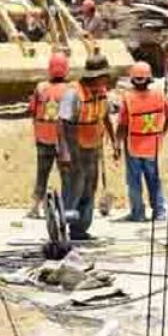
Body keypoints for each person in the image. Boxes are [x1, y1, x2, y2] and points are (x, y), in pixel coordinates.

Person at [58, 52, 118, 240]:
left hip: (93, 148)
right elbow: (61, 123)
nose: (107, 80)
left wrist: (114, 141)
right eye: (104, 76)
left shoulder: (101, 93)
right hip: (74, 148)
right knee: (74, 188)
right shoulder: (73, 93)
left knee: (89, 189)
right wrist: (65, 152)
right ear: (95, 76)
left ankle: (80, 229)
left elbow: (105, 116)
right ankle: (62, 227)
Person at [117, 62, 168, 222]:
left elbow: (122, 125)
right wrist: (162, 132)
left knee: (134, 181)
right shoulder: (159, 96)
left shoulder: (128, 98)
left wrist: (116, 142)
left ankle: (138, 213)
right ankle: (159, 211)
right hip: (153, 145)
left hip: (133, 146)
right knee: (154, 179)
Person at [27, 52, 72, 219]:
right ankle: (67, 207)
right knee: (67, 176)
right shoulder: (70, 90)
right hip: (63, 141)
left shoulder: (40, 88)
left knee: (42, 173)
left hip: (43, 137)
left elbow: (32, 109)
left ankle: (34, 207)